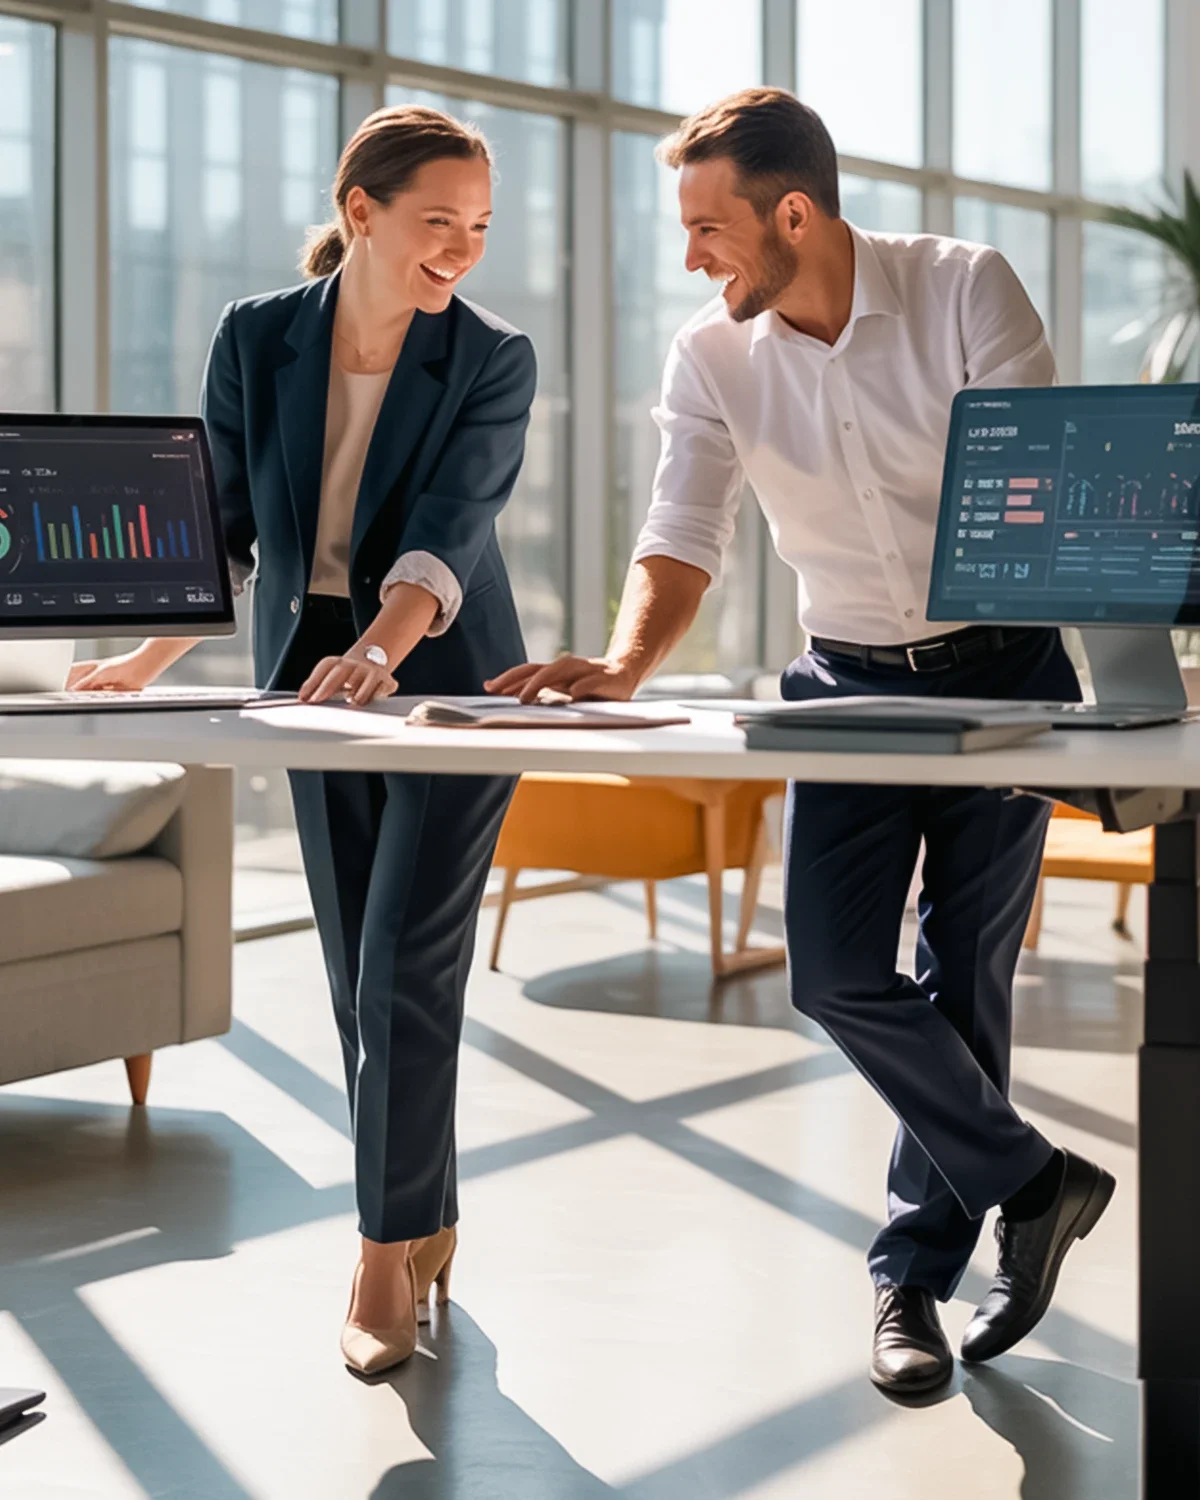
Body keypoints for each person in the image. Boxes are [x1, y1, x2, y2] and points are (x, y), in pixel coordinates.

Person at [488, 88, 1115, 1396]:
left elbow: (1036, 496)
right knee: (835, 974)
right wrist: (621, 665)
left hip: (1000, 669)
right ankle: (1035, 1185)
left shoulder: (964, 290)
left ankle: (910, 1282)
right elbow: (683, 525)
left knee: (962, 974)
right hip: (840, 682)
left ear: (793, 213)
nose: (692, 257)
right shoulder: (712, 354)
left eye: (710, 227)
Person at [68, 104, 535, 1377]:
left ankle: (383, 1257)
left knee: (401, 963)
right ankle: (427, 1214)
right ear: (362, 212)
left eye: (480, 227)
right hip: (313, 683)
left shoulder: (494, 358)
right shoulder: (257, 337)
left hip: (445, 685)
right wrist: (141, 656)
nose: (461, 249)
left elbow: (452, 527)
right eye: (438, 221)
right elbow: (222, 531)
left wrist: (381, 650)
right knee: (358, 981)